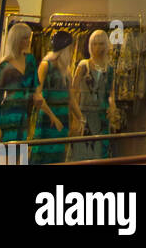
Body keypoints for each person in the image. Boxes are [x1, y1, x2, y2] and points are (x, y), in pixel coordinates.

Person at [0, 22, 43, 145]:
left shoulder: (30, 60)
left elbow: (35, 88)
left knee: (20, 155)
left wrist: (37, 96)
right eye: (25, 38)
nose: (28, 41)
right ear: (16, 40)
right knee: (6, 158)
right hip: (8, 116)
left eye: (28, 37)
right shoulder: (5, 67)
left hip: (24, 115)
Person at [32, 30, 78, 165]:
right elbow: (37, 95)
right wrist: (52, 117)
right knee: (42, 153)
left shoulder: (66, 70)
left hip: (63, 117)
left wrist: (79, 118)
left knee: (58, 155)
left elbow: (71, 98)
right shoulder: (46, 65)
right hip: (48, 117)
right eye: (70, 48)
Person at [72, 29, 117, 160]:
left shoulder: (110, 68)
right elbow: (73, 91)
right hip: (84, 115)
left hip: (102, 116)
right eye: (95, 44)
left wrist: (113, 108)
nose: (97, 47)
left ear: (106, 45)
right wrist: (75, 117)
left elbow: (111, 93)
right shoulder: (83, 65)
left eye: (101, 44)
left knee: (100, 154)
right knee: (82, 153)